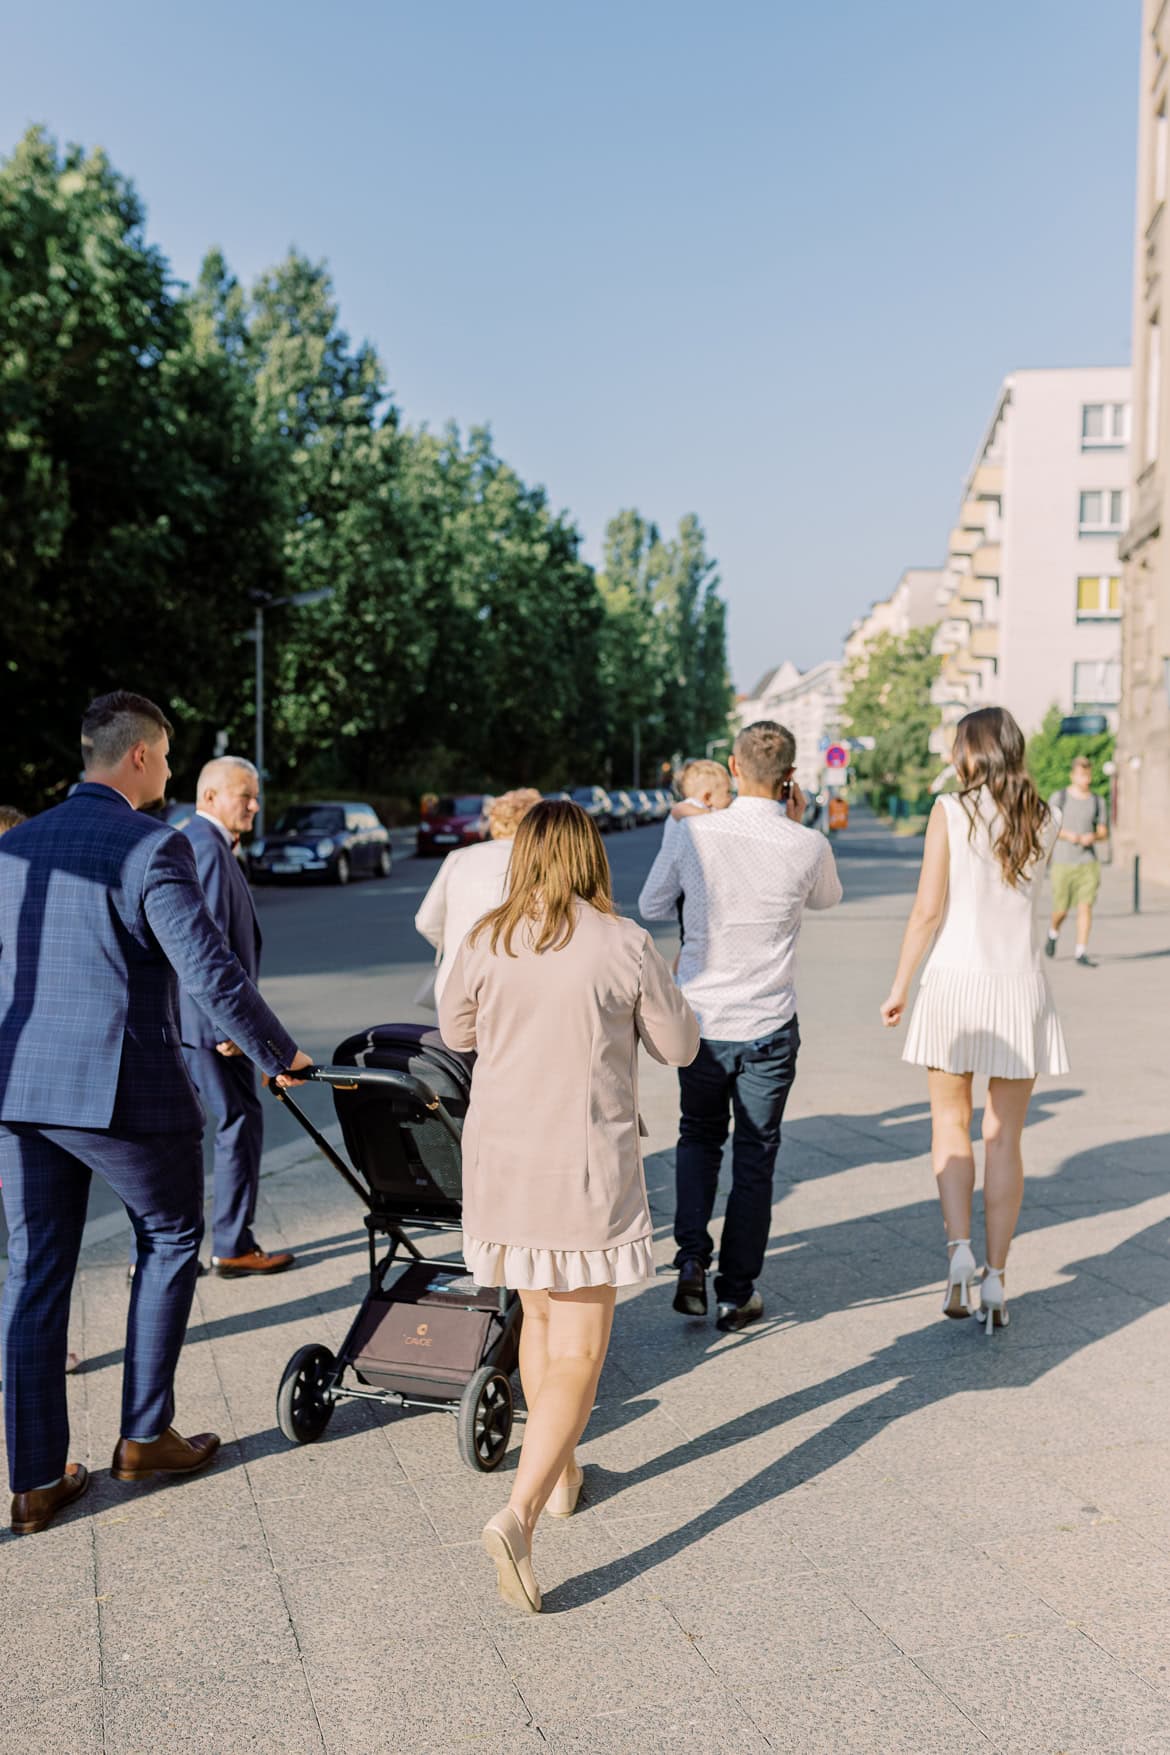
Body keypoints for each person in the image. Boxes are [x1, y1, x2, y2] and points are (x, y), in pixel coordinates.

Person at [0, 692, 311, 1536]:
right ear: (138, 755)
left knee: (33, 1271)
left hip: (21, 1090)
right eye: (170, 757)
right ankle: (143, 1437)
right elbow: (210, 972)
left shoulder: (15, 845)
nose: (172, 772)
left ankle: (33, 1483)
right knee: (174, 1234)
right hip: (123, 1087)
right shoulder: (152, 846)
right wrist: (281, 1055)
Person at [438, 801, 698, 1613]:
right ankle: (518, 1514)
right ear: (591, 856)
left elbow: (455, 1027)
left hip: (502, 1165)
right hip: (583, 1169)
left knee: (539, 1322)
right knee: (581, 1347)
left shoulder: (485, 937)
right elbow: (680, 1045)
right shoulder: (622, 943)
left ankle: (561, 1474)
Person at [639, 720, 843, 1333]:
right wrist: (805, 822)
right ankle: (737, 1291)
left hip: (701, 1018)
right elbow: (827, 899)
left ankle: (691, 1261)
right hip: (769, 1022)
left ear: (732, 765)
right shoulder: (806, 844)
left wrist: (679, 826)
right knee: (756, 1154)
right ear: (790, 777)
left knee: (698, 1137)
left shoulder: (693, 833)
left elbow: (650, 907)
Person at [880, 706, 1068, 1336]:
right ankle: (997, 1277)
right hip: (1019, 987)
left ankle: (957, 1251)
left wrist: (900, 985)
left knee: (949, 1122)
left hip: (955, 983)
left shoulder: (949, 811)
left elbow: (927, 911)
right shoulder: (1048, 816)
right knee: (1005, 1138)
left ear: (971, 752)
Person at [180, 755, 294, 1277]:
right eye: (243, 795)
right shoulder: (203, 846)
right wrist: (231, 1026)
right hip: (213, 1027)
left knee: (211, 1127)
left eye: (255, 795)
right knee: (238, 1124)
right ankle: (230, 1244)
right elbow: (203, 948)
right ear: (209, 797)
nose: (254, 805)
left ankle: (200, 1242)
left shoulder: (208, 843)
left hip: (206, 1023)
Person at [414, 788, 541, 1005]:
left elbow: (426, 922)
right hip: (511, 991)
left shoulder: (458, 858)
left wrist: (455, 944)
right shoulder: (537, 862)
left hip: (453, 987)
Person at [1045, 755, 1109, 968]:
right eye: (1082, 775)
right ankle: (1053, 932)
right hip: (1063, 861)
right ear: (1073, 775)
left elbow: (1103, 831)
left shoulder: (1097, 801)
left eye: (1088, 774)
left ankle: (1081, 951)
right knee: (1061, 909)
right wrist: (1068, 835)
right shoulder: (1060, 797)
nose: (1086, 779)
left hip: (1087, 862)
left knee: (1085, 906)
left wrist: (1095, 837)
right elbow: (1047, 826)